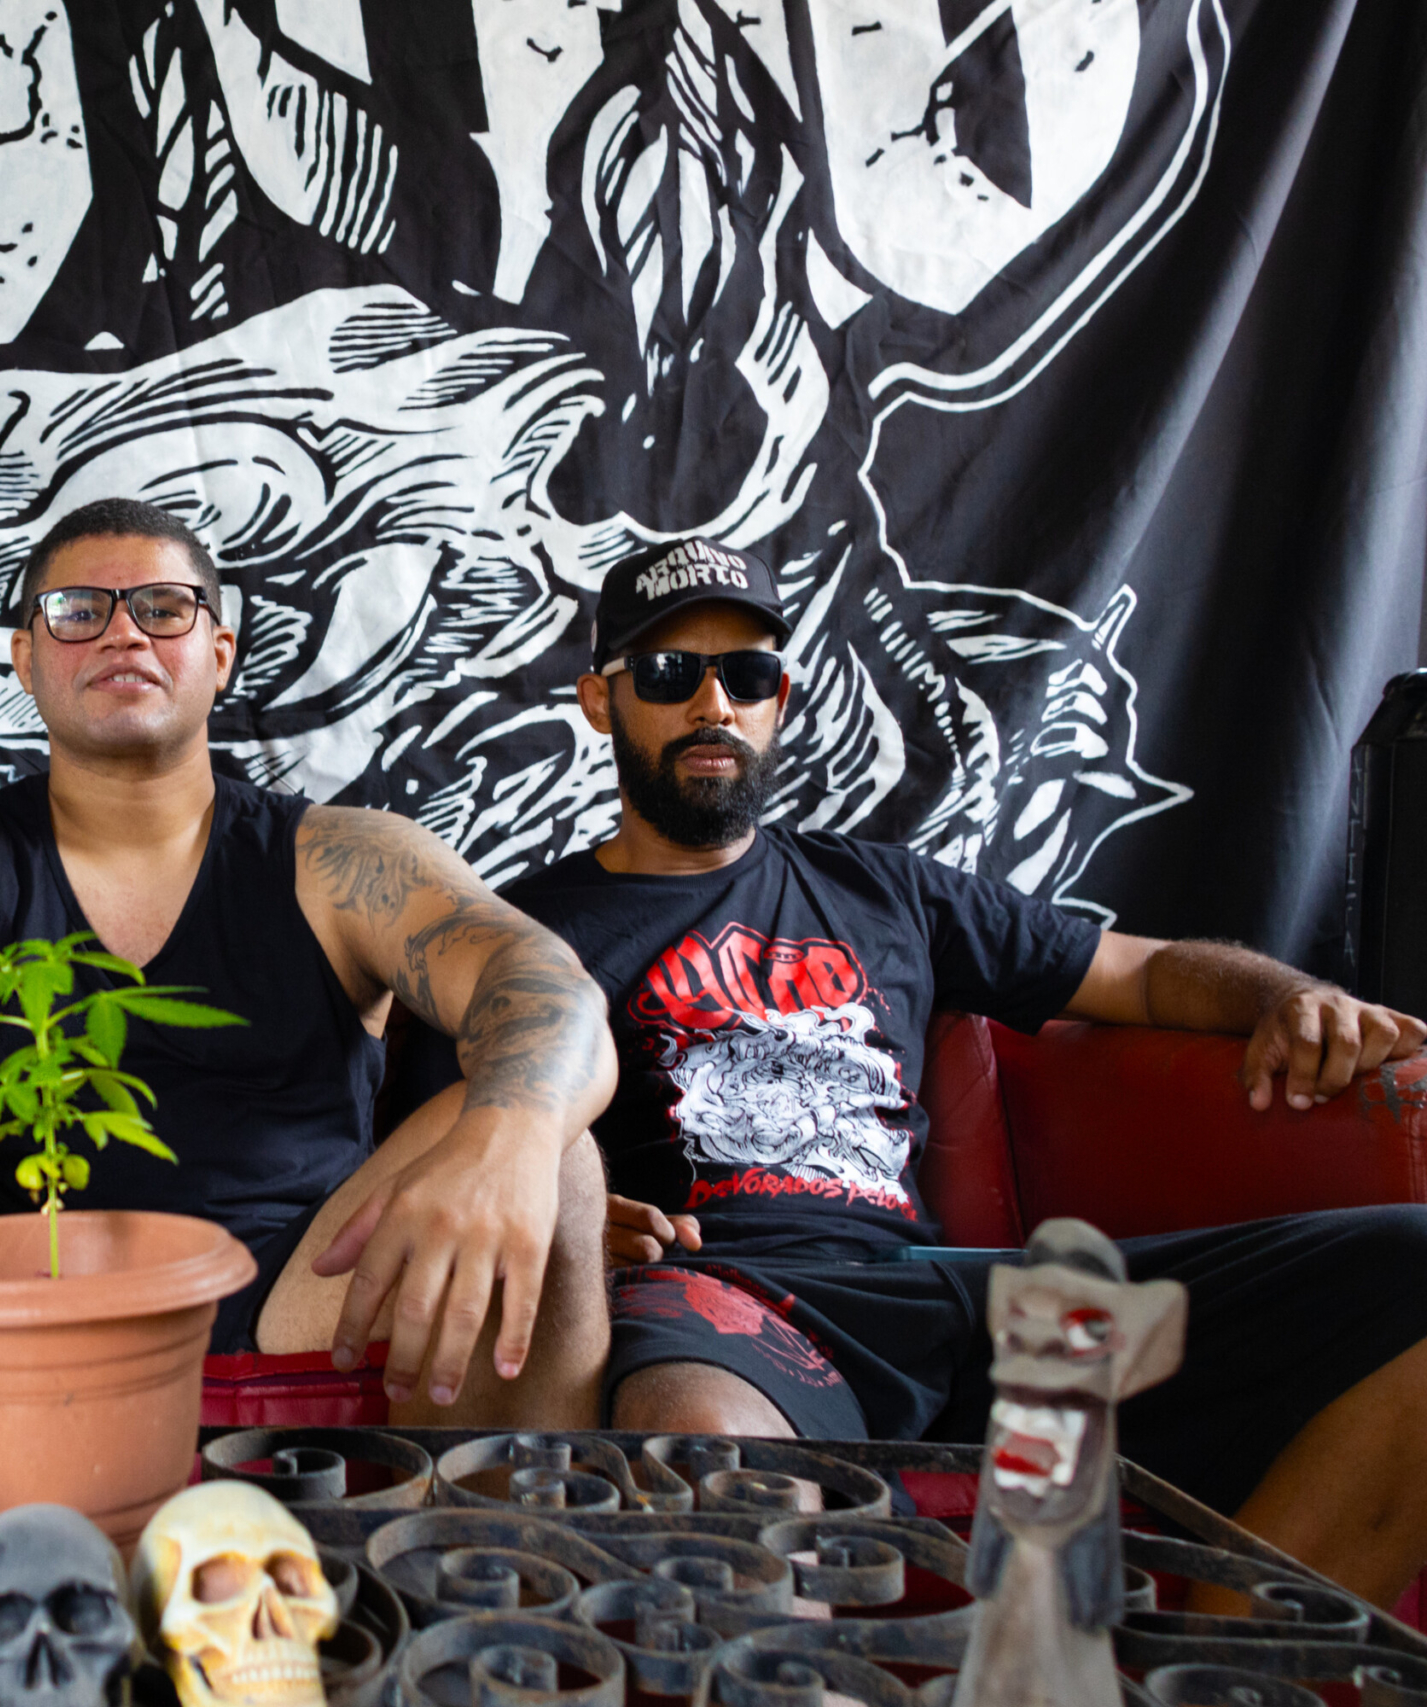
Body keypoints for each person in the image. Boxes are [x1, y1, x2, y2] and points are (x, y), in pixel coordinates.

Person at [418, 536, 1427, 1606]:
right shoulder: (519, 937)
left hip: (948, 1293)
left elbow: (1141, 973)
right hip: (728, 1297)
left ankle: (1220, 1669)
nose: (715, 704)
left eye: (746, 674)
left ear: (778, 700)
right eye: (670, 674)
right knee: (704, 1445)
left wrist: (1284, 997)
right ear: (600, 700)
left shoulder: (884, 889)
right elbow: (451, 1145)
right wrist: (566, 1219)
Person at [0, 498, 618, 1426]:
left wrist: (513, 1137)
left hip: (297, 1303)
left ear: (221, 652)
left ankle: (499, 1527)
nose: (123, 632)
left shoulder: (343, 861)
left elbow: (542, 983)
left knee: (554, 1152)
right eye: (78, 611)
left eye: (164, 608)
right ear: (26, 657)